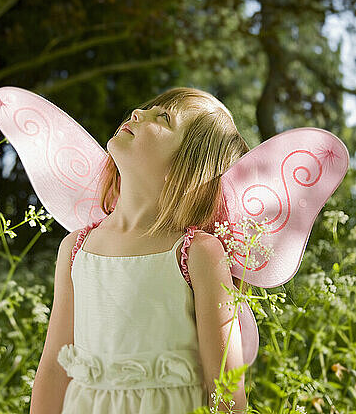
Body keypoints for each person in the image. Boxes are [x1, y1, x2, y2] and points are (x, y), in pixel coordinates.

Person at [30, 86, 249, 414]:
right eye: (149, 107)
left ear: (188, 167)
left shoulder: (198, 254)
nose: (138, 112)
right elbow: (52, 370)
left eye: (163, 117)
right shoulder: (76, 248)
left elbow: (225, 385)